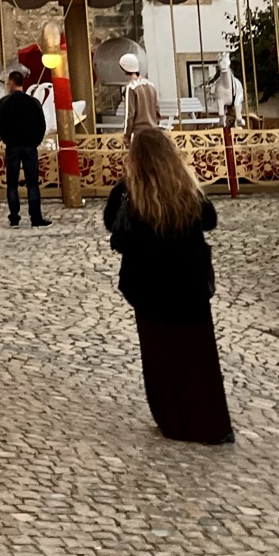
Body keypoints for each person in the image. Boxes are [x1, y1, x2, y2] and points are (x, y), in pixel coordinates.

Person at [103, 126, 233, 446]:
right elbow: (210, 220)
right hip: (189, 283)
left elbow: (112, 227)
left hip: (148, 287)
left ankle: (173, 421)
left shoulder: (127, 192)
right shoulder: (185, 187)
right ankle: (211, 424)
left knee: (159, 355)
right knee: (199, 356)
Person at [0, 70, 50, 228]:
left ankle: (14, 217)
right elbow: (41, 124)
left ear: (11, 82)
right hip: (29, 146)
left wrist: (7, 140)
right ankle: (36, 217)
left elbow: (0, 124)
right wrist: (36, 141)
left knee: (12, 183)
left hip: (12, 146)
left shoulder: (5, 102)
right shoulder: (32, 102)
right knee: (32, 183)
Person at [120, 52, 161, 145]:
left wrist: (126, 136)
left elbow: (129, 115)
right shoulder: (151, 85)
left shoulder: (130, 87)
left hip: (139, 135)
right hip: (153, 132)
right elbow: (157, 110)